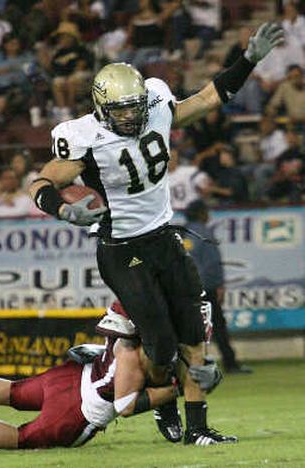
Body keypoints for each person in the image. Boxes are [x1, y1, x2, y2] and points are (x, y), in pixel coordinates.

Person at [29, 23, 283, 445]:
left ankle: (198, 428)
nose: (130, 115)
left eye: (135, 106)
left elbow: (207, 98)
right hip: (121, 247)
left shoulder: (160, 104)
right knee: (162, 345)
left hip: (163, 238)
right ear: (102, 107)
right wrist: (61, 208)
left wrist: (248, 61)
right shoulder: (83, 138)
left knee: (195, 335)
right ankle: (165, 406)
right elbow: (41, 182)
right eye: (122, 109)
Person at [0, 303, 182, 454]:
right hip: (80, 408)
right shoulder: (137, 350)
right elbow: (125, 405)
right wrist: (174, 391)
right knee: (21, 437)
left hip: (74, 375)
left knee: (11, 391)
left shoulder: (131, 294)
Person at [183, 200, 253, 374]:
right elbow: (213, 263)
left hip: (185, 288)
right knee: (218, 325)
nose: (209, 215)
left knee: (187, 328)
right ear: (201, 213)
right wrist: (218, 285)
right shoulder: (205, 233)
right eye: (206, 211)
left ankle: (186, 366)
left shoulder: (182, 234)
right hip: (206, 286)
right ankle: (230, 363)